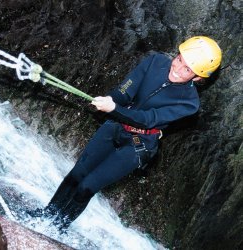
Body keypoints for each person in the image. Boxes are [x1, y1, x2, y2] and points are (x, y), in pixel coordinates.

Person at [36, 36, 222, 231]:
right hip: (117, 124)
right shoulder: (156, 61)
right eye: (179, 59)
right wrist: (110, 100)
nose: (176, 68)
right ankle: (45, 216)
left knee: (87, 186)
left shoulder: (189, 103)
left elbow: (149, 119)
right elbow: (125, 90)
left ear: (198, 78)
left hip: (139, 143)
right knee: (76, 174)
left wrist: (114, 108)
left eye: (187, 69)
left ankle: (57, 228)